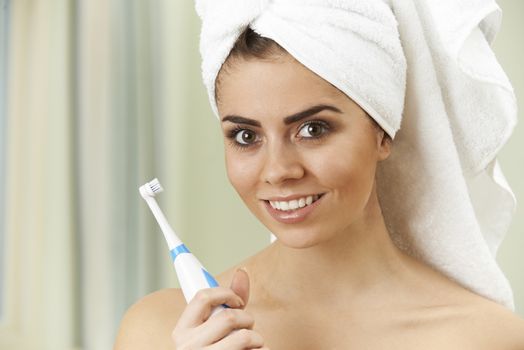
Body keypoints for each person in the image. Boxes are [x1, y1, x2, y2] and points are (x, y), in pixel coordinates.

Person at [115, 1, 524, 348]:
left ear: (382, 132)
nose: (278, 171)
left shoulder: (484, 337)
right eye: (245, 135)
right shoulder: (160, 331)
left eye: (313, 129)